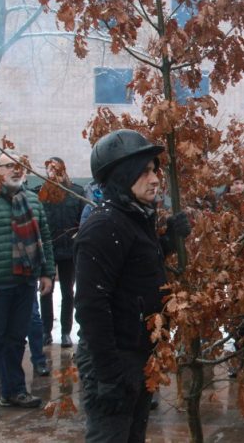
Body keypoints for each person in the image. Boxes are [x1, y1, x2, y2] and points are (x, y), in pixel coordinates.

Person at [73, 129, 190, 441]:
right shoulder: (104, 226)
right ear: (123, 176)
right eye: (145, 171)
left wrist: (168, 240)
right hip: (112, 356)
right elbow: (90, 306)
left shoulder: (135, 218)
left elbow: (138, 268)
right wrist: (108, 376)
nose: (155, 179)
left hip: (138, 352)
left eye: (155, 170)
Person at [0, 150, 55, 419]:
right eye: (9, 165)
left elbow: (44, 237)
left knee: (16, 340)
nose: (17, 169)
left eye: (19, 165)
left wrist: (47, 273)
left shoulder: (32, 200)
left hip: (24, 282)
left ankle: (14, 390)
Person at [37, 157, 85, 347]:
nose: (53, 173)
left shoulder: (75, 193)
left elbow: (82, 223)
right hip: (48, 251)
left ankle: (66, 331)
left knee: (68, 292)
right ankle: (46, 331)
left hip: (69, 252)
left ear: (64, 170)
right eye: (50, 169)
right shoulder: (41, 194)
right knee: (46, 291)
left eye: (57, 169)